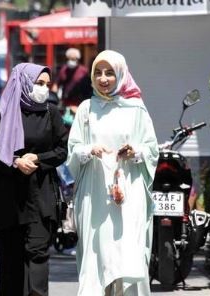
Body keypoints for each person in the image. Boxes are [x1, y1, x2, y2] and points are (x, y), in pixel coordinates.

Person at [67, 50, 159, 295]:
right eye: (98, 72)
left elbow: (152, 149)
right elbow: (73, 150)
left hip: (129, 191)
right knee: (97, 251)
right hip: (95, 192)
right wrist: (90, 149)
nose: (103, 78)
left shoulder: (137, 109)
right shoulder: (87, 109)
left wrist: (135, 151)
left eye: (109, 72)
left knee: (128, 250)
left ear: (121, 74)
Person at [0, 63, 68, 296]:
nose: (43, 89)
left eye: (46, 84)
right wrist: (15, 162)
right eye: (38, 83)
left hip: (40, 194)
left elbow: (62, 150)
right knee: (11, 257)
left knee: (38, 253)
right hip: (10, 197)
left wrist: (38, 159)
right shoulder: (4, 111)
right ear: (23, 82)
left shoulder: (50, 113)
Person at [51, 48, 92, 118]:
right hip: (65, 103)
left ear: (78, 59)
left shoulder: (84, 71)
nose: (71, 61)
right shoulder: (63, 70)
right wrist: (53, 98)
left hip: (80, 103)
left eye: (73, 59)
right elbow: (56, 84)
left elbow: (89, 88)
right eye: (69, 59)